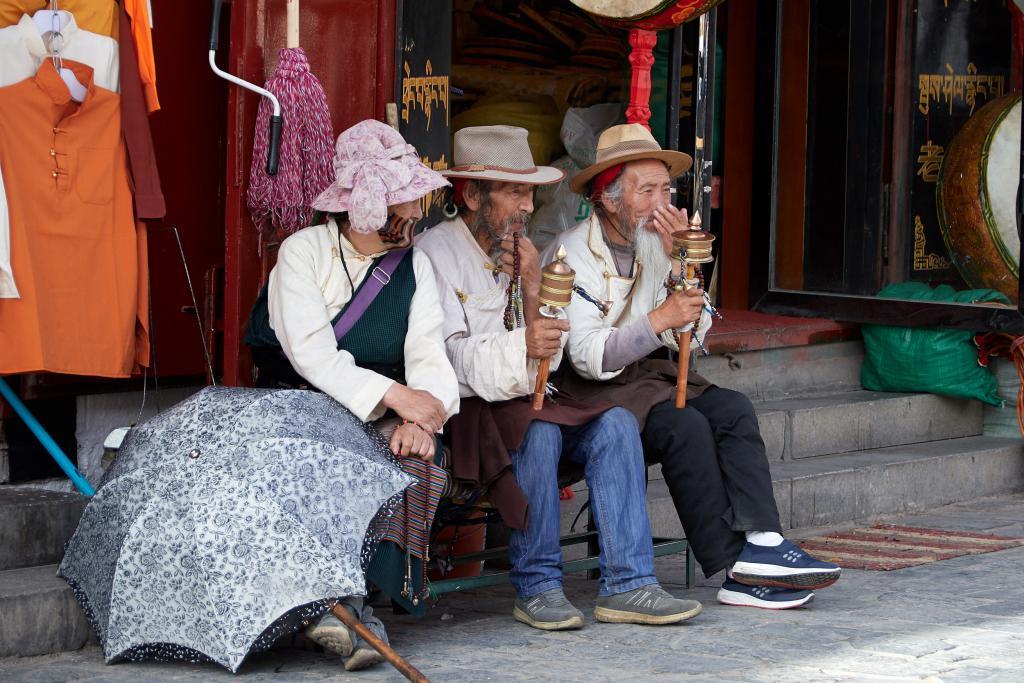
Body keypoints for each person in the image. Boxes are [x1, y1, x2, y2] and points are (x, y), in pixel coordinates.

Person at [416, 125, 701, 631]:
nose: (527, 206)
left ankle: (629, 583)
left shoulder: (523, 250)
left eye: (530, 192)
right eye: (513, 192)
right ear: (472, 194)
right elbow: (450, 358)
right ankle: (539, 584)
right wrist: (522, 347)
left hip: (533, 394)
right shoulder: (433, 253)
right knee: (540, 428)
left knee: (614, 422)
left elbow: (551, 340)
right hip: (473, 411)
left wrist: (530, 284)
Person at [545, 123, 842, 610]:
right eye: (647, 191)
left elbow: (695, 334)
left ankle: (765, 541)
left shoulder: (656, 243)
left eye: (666, 189)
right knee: (683, 424)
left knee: (731, 407)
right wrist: (660, 317)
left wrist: (682, 265)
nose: (662, 203)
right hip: (588, 390)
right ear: (610, 198)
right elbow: (589, 358)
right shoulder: (572, 251)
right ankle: (736, 570)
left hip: (644, 378)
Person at [245, 119, 459, 668]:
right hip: (299, 406)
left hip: (383, 408)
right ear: (365, 205)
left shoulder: (416, 265)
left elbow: (429, 355)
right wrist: (397, 397)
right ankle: (343, 610)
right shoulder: (301, 253)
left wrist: (422, 420)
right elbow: (312, 355)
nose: (415, 214)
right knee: (339, 464)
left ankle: (346, 606)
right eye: (403, 203)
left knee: (419, 467)